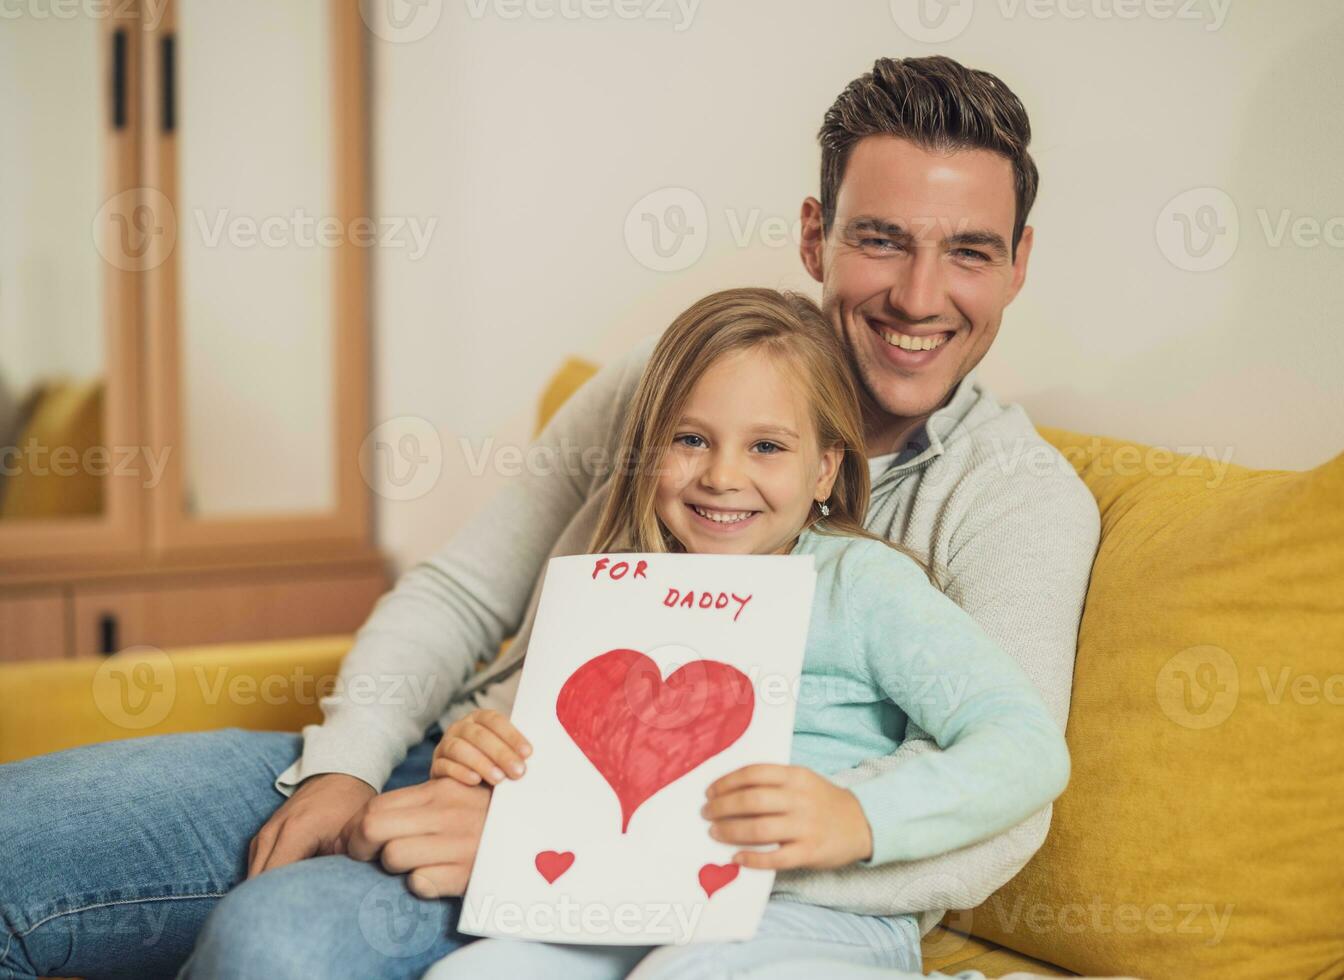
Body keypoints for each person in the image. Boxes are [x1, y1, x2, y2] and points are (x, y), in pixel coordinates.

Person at [0, 56, 1099, 980]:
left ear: (1020, 267)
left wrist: (586, 841)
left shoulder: (1010, 506)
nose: (917, 294)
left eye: (968, 250)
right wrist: (346, 758)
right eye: (881, 238)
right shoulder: (661, 378)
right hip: (461, 759)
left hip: (649, 853)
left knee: (275, 938)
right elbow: (461, 589)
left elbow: (1006, 796)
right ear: (815, 235)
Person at [415, 287, 1070, 977]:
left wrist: (857, 814)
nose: (723, 476)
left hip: (820, 918)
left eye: (766, 446)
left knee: (691, 974)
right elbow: (570, 773)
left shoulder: (862, 588)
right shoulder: (614, 592)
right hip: (619, 897)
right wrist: (484, 761)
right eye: (691, 439)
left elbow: (1025, 744)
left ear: (824, 469)